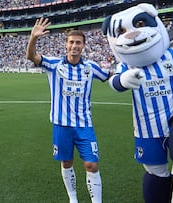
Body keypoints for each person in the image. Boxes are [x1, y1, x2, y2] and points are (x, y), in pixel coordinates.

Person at [102, 4, 173, 202]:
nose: (132, 34)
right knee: (156, 174)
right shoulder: (125, 64)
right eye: (122, 31)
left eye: (140, 24)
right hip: (147, 130)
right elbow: (114, 82)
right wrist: (123, 81)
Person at [26, 18, 111, 203]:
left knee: (92, 164)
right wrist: (33, 38)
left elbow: (110, 76)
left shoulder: (91, 68)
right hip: (61, 125)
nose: (74, 46)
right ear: (66, 45)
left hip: (84, 125)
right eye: (71, 42)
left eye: (78, 43)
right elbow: (32, 57)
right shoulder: (54, 64)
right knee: (66, 162)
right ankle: (73, 199)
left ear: (83, 46)